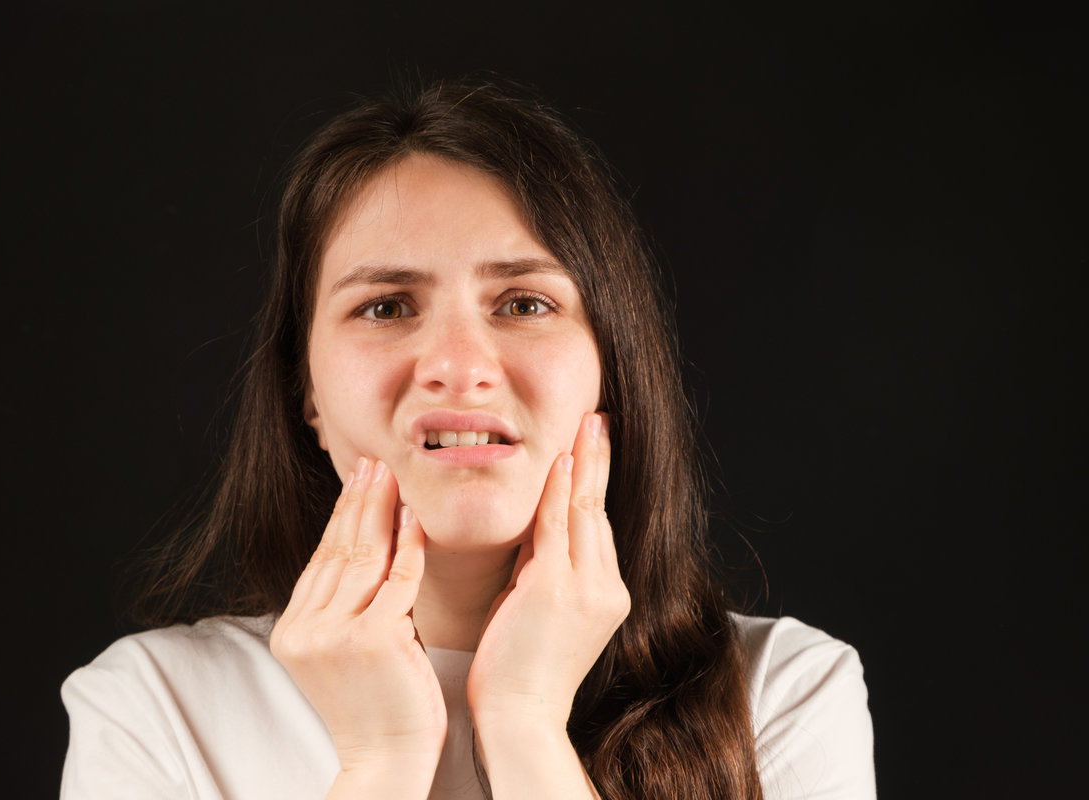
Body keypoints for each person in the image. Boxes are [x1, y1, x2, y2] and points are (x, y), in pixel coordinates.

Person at [61, 80, 875, 799]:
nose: (458, 367)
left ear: (610, 369)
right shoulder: (152, 710)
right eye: (386, 307)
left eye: (523, 304)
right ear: (304, 393)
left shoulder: (782, 695)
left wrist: (525, 726)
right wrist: (382, 761)